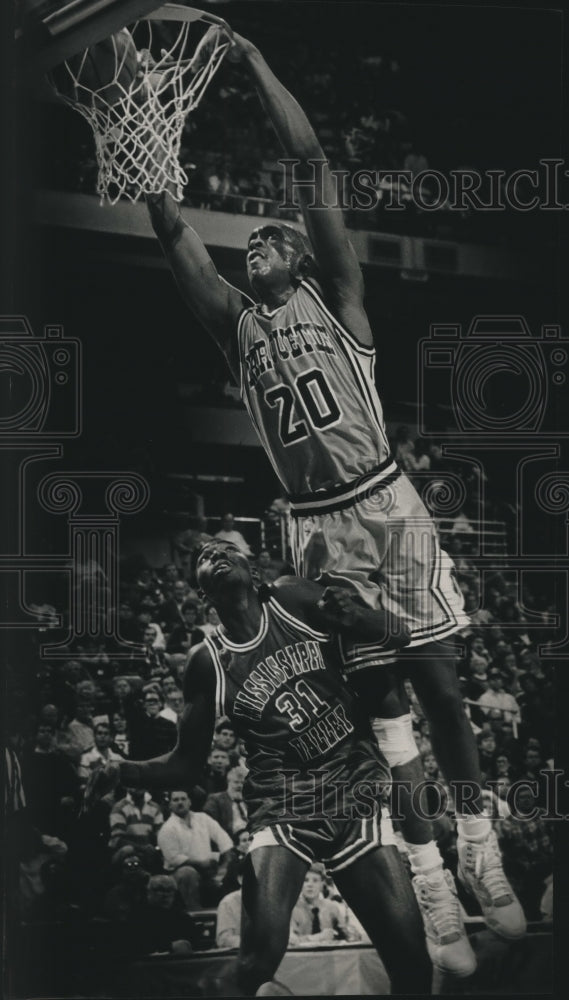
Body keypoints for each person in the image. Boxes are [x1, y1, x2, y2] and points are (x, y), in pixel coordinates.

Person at [144, 28, 525, 969]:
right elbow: (170, 228)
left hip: (382, 503)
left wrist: (248, 62)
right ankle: (431, 879)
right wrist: (148, 136)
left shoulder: (340, 302)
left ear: (305, 264)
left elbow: (310, 159)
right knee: (386, 710)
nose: (263, 239)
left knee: (440, 687)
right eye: (255, 241)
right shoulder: (235, 326)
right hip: (315, 531)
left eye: (279, 238)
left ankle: (478, 846)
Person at [85, 540, 431, 996]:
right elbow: (186, 764)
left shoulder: (292, 597)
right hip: (283, 801)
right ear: (204, 595)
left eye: (225, 549)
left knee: (413, 964)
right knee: (256, 961)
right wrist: (123, 770)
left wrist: (363, 616)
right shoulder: (206, 663)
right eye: (204, 557)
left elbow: (399, 635)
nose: (215, 554)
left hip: (353, 789)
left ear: (253, 569)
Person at [157, 788, 233, 909]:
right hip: (179, 873)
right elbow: (174, 859)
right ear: (170, 805)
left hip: (208, 871)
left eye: (183, 799)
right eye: (175, 800)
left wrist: (225, 865)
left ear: (189, 802)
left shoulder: (202, 818)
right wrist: (201, 863)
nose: (180, 802)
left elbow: (223, 838)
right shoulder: (167, 829)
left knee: (233, 870)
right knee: (187, 873)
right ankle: (196, 915)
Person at [289, 863, 350, 944]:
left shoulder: (331, 907)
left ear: (322, 884)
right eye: (305, 880)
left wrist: (348, 933)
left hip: (328, 955)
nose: (310, 885)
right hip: (301, 955)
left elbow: (348, 935)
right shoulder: (292, 908)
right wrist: (318, 937)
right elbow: (290, 940)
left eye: (315, 880)